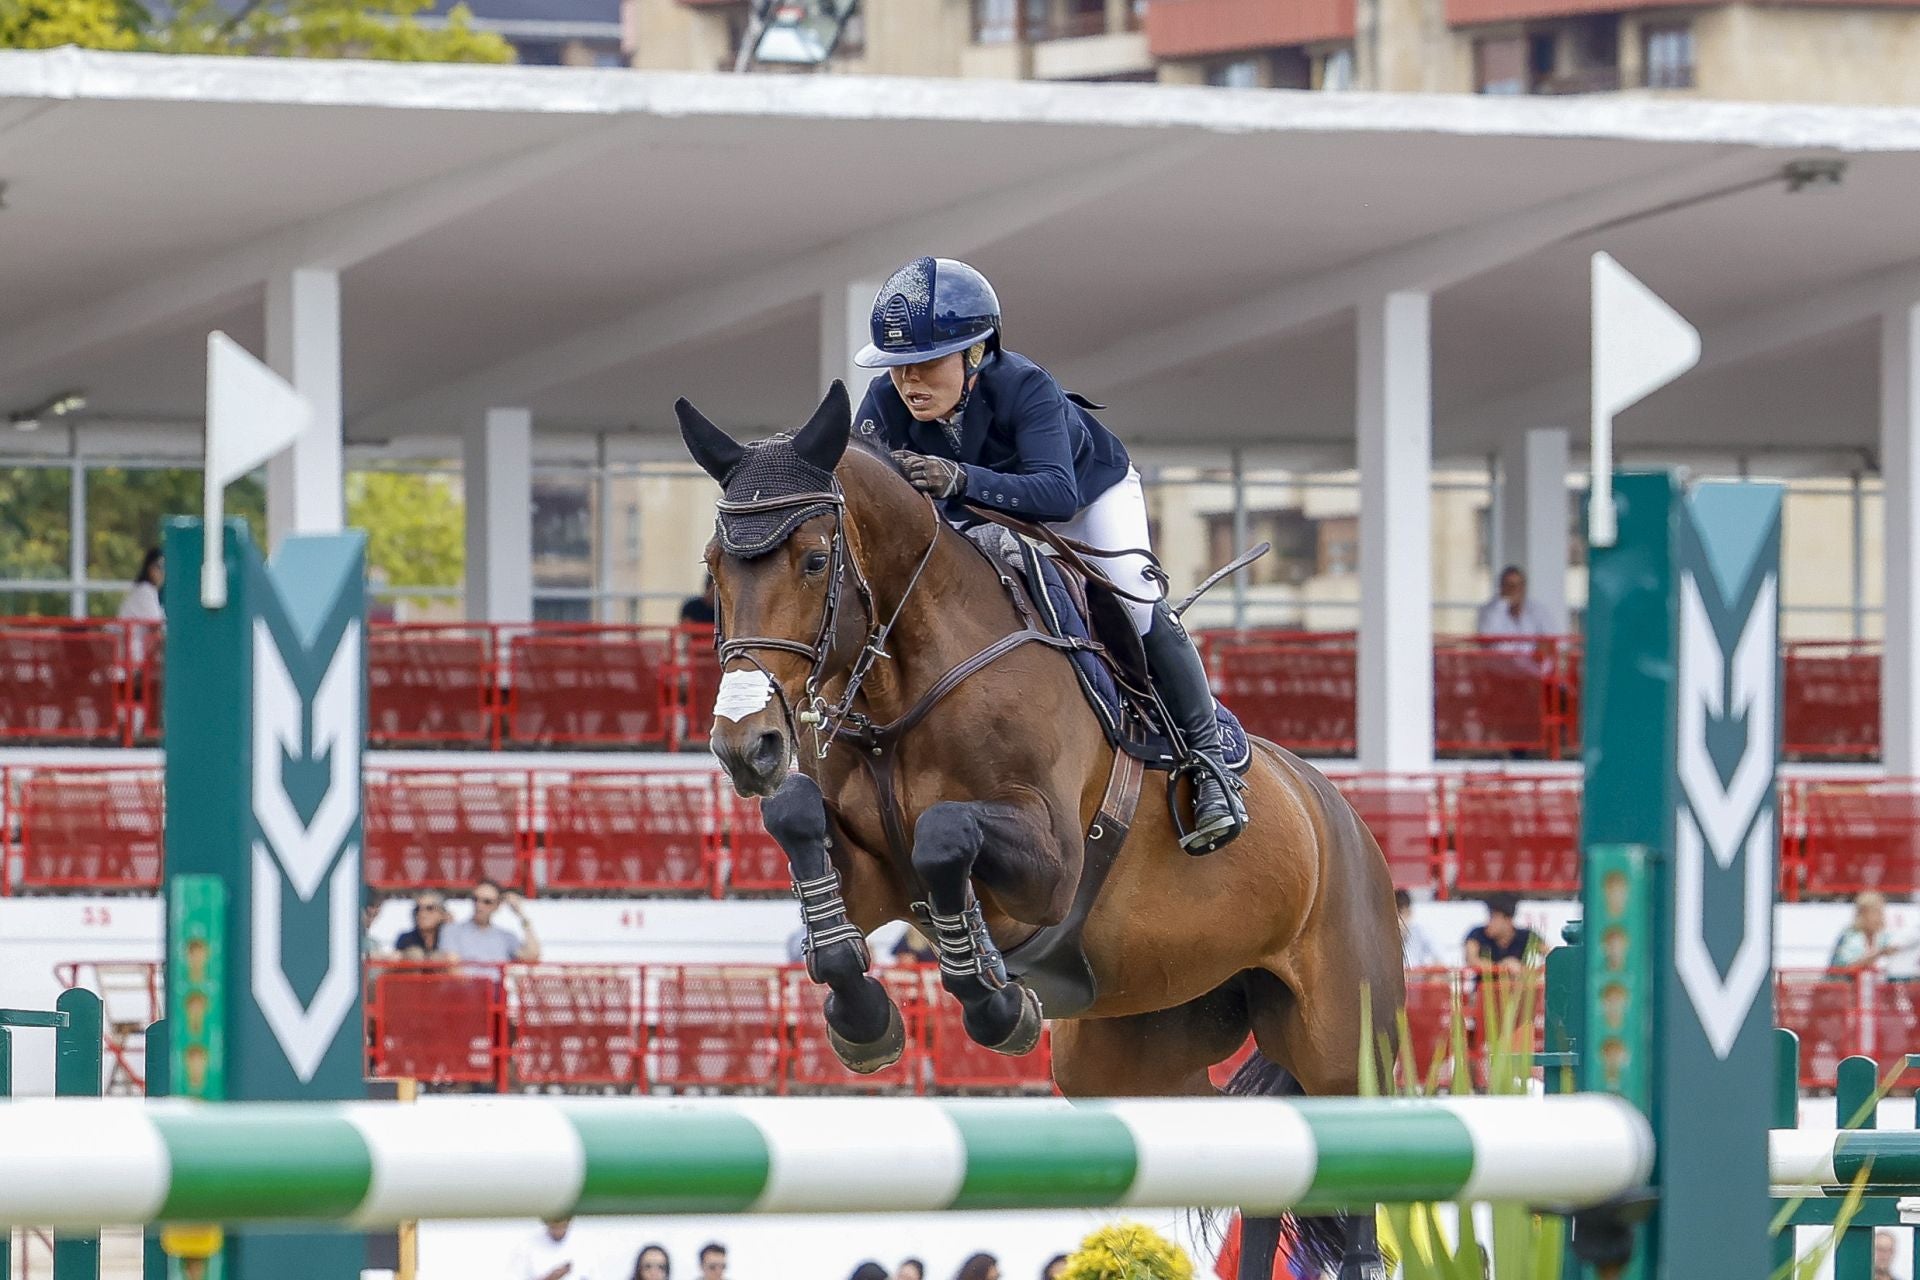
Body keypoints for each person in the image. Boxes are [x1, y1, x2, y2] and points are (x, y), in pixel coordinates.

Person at [853, 256, 1245, 854]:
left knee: (1132, 596)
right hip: (975, 511)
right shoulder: (883, 404)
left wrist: (958, 478)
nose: (910, 382)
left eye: (928, 363)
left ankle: (1209, 762)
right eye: (900, 366)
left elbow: (1056, 493)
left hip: (1085, 498)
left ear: (976, 354)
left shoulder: (1025, 386)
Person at [441, 878, 542, 970]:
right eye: (475, 899)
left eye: (487, 902)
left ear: (497, 905)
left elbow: (533, 955)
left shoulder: (505, 936)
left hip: (497, 988)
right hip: (467, 989)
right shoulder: (452, 930)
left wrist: (521, 914)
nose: (479, 905)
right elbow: (454, 969)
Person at [1462, 892, 1539, 980]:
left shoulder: (1526, 935)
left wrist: (1524, 969)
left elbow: (1549, 955)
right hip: (1484, 988)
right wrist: (1502, 967)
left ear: (1508, 920)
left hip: (1517, 989)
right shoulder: (1477, 934)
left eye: (1494, 917)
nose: (1489, 922)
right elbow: (1471, 960)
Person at [1832, 890, 1908, 971]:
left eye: (1881, 912)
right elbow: (1847, 969)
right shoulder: (1850, 936)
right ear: (1863, 914)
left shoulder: (1883, 937)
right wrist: (1879, 953)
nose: (1881, 918)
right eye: (1876, 913)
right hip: (1842, 982)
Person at [1475, 565, 1554, 638]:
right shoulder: (1489, 610)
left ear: (1524, 587)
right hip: (1501, 653)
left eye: (1519, 585)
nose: (1514, 590)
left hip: (1531, 653)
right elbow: (1486, 636)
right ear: (1501, 587)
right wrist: (1504, 603)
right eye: (1509, 585)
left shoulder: (1536, 609)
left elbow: (1552, 637)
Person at [511, 1217, 590, 1280]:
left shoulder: (584, 1244)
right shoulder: (527, 1245)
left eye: (562, 1226)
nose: (558, 1231)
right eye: (554, 1227)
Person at [393, 891, 450, 960]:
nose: (422, 914)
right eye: (417, 909)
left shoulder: (450, 938)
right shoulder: (405, 938)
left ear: (442, 913)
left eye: (429, 908)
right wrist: (406, 956)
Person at [1396, 889, 1444, 969]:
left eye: (1400, 913)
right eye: (1393, 914)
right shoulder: (1381, 939)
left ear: (1409, 913)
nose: (1397, 919)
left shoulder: (1421, 932)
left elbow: (1440, 962)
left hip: (1419, 979)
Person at [118, 548, 165, 624]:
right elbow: (157, 625)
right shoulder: (144, 590)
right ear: (149, 568)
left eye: (165, 567)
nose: (162, 572)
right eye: (159, 566)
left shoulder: (153, 591)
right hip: (129, 635)